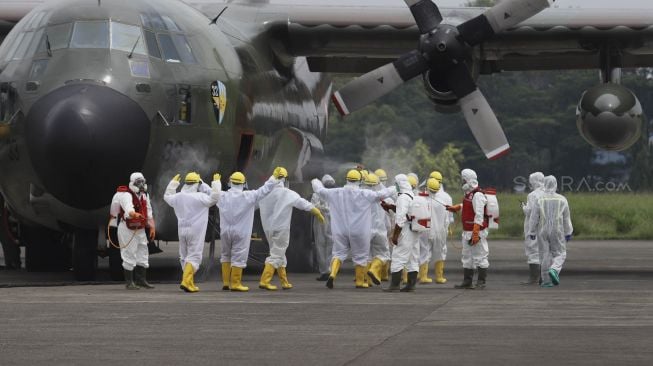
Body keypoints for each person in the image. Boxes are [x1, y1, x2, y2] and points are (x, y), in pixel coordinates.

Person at [312, 169, 395, 289]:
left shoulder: (336, 192)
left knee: (338, 253)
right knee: (361, 256)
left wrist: (315, 181)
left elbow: (319, 190)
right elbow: (380, 195)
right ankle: (360, 282)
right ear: (360, 181)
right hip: (360, 230)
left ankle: (332, 274)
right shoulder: (364, 194)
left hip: (340, 230)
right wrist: (395, 188)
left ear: (346, 179)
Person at [258, 167, 325, 291]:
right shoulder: (287, 193)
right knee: (276, 255)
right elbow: (303, 203)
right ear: (284, 179)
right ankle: (264, 280)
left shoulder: (264, 193)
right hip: (281, 229)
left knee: (279, 254)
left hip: (268, 229)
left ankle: (284, 281)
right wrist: (316, 211)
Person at [217, 169, 281, 292]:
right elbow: (265, 189)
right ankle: (235, 283)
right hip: (241, 232)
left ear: (230, 183)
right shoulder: (249, 196)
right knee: (239, 256)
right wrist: (273, 177)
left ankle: (226, 282)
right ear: (244, 184)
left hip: (225, 232)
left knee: (225, 255)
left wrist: (209, 183)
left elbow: (210, 192)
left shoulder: (222, 195)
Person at [164, 172, 221, 293]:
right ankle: (185, 281)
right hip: (196, 230)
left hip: (182, 229)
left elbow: (167, 196)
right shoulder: (200, 197)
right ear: (197, 184)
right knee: (194, 256)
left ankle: (189, 282)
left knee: (184, 256)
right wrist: (214, 184)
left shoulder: (178, 196)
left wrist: (173, 184)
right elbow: (215, 197)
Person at [110, 172, 156, 290]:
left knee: (143, 252)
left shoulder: (144, 195)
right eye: (138, 182)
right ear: (133, 183)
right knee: (129, 254)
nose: (141, 184)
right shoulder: (126, 195)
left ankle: (141, 280)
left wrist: (152, 226)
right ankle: (129, 282)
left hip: (139, 229)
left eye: (142, 181)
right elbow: (128, 208)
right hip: (127, 228)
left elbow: (149, 211)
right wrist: (134, 214)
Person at [447, 169, 489, 289]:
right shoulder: (469, 193)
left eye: (463, 179)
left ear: (468, 180)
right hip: (467, 231)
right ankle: (467, 281)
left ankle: (481, 282)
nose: (462, 182)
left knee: (480, 256)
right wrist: (457, 207)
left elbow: (479, 215)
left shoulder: (478, 194)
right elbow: (467, 205)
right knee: (467, 256)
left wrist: (476, 233)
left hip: (476, 231)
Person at [528, 175, 573, 288]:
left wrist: (532, 232)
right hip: (557, 230)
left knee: (545, 255)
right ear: (556, 184)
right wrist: (568, 232)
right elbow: (566, 218)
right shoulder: (562, 199)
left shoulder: (540, 199)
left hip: (542, 230)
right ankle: (554, 269)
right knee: (560, 253)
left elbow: (534, 217)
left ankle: (546, 281)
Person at [384, 174, 420, 292]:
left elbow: (400, 219)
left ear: (400, 184)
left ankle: (394, 285)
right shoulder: (411, 195)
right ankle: (411, 285)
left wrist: (395, 236)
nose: (395, 186)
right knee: (413, 257)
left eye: (396, 184)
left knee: (398, 255)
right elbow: (406, 212)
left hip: (405, 231)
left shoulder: (402, 197)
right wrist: (391, 207)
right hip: (414, 230)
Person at [363, 173, 391, 287]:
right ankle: (374, 270)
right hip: (380, 230)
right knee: (384, 254)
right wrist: (389, 231)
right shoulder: (385, 198)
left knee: (366, 255)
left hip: (364, 230)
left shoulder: (360, 196)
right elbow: (390, 218)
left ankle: (366, 281)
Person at [521, 172, 545, 285]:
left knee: (533, 251)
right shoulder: (551, 193)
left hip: (535, 227)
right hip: (548, 227)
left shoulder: (533, 195)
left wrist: (523, 207)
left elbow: (530, 212)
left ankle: (534, 278)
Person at [430, 171, 453, 284]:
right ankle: (439, 276)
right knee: (441, 251)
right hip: (442, 229)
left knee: (423, 250)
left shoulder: (424, 195)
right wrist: (449, 228)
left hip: (427, 229)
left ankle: (421, 275)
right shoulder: (447, 197)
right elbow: (450, 216)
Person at [312, 174, 336, 281]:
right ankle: (325, 271)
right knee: (321, 246)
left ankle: (329, 270)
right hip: (321, 221)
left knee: (330, 246)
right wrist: (325, 209)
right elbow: (314, 206)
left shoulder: (335, 194)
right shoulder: (317, 194)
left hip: (330, 222)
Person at [375, 168, 394, 281]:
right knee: (385, 251)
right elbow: (394, 216)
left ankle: (376, 273)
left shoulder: (368, 196)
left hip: (373, 228)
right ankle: (384, 274)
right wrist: (393, 230)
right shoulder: (389, 198)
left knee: (373, 252)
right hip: (386, 228)